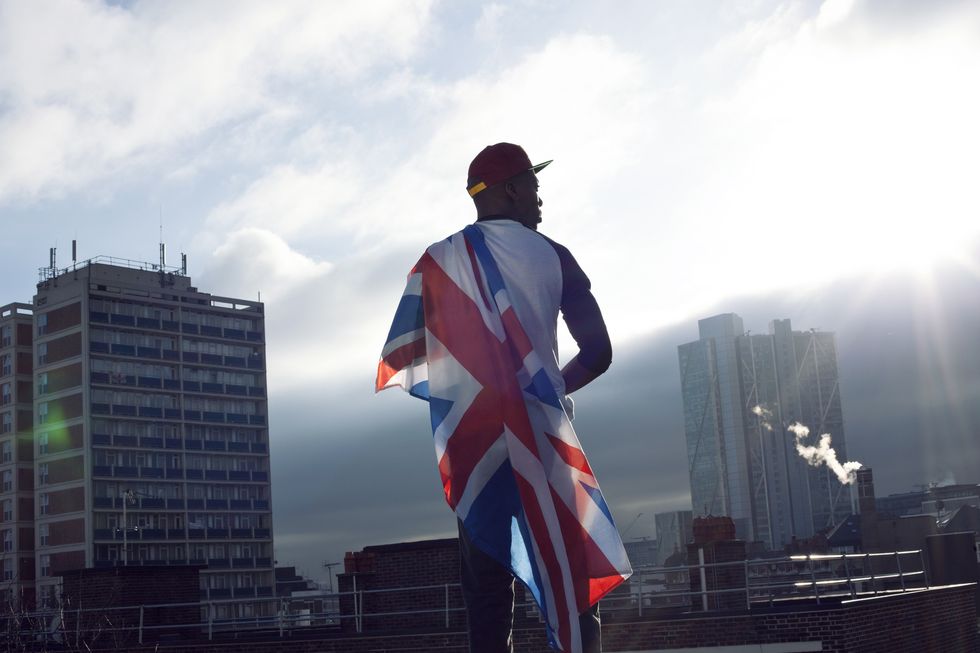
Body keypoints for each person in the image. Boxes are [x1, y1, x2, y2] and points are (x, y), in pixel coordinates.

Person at [377, 143, 628, 653]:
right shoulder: (553, 255)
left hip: (478, 446)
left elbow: (410, 357)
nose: (540, 197)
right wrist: (548, 385)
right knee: (572, 580)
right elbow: (597, 352)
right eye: (533, 184)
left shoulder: (437, 262)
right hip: (545, 436)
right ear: (510, 190)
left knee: (488, 595)